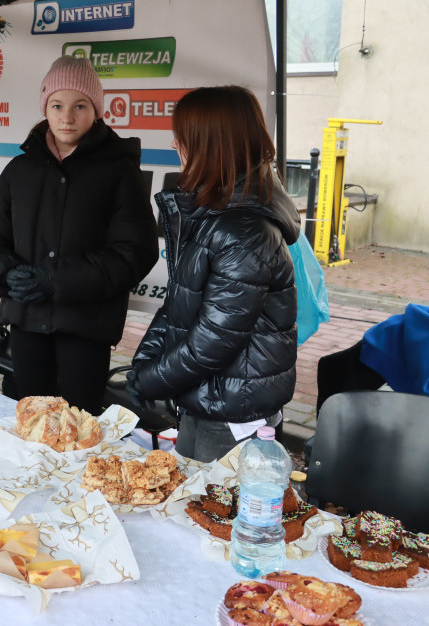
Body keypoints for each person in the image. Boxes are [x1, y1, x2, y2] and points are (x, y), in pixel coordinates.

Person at [0, 56, 158, 413]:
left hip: (85, 330)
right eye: (57, 105)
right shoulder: (20, 170)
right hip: (27, 324)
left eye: (80, 106)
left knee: (78, 432)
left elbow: (134, 251)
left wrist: (54, 280)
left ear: (97, 110)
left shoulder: (120, 172)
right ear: (46, 107)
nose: (67, 117)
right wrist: (8, 274)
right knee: (29, 426)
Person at [126, 85, 299, 462]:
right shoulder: (215, 214)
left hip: (234, 411)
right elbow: (179, 305)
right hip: (206, 398)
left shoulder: (243, 233)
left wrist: (153, 379)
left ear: (213, 146)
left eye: (183, 137)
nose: (175, 145)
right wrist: (143, 366)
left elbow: (213, 341)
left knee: (210, 515)